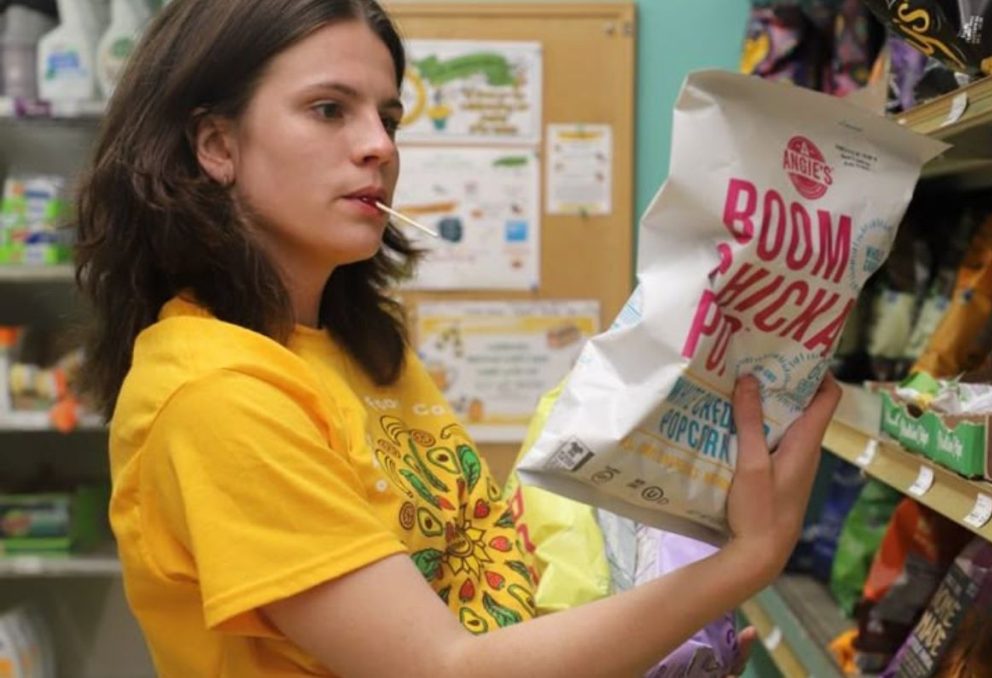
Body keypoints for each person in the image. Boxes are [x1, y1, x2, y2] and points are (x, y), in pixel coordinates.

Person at [75, 0, 842, 676]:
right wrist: (747, 558)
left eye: (389, 116)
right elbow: (444, 669)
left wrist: (646, 645)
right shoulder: (217, 396)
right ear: (216, 144)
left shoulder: (357, 351)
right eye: (328, 109)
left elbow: (476, 594)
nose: (379, 145)